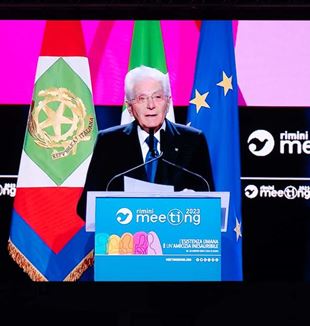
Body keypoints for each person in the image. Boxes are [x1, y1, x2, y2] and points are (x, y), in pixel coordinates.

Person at [77, 65, 214, 220]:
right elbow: (86, 207)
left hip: (176, 239)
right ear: (129, 107)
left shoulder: (192, 141)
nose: (151, 105)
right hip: (125, 239)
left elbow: (209, 201)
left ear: (168, 102)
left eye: (157, 97)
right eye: (142, 98)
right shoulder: (109, 143)